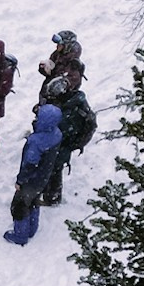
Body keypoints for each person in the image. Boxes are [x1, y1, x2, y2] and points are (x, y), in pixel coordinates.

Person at [4, 101, 62, 245]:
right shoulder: (56, 133)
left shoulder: (36, 142)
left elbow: (30, 164)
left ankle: (20, 235)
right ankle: (32, 228)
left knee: (19, 205)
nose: (36, 118)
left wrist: (20, 181)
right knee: (34, 200)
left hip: (31, 180)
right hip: (43, 177)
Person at [39, 74, 98, 206]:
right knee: (50, 166)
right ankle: (47, 192)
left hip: (65, 143)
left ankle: (52, 198)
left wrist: (74, 143)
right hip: (60, 141)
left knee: (55, 168)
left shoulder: (73, 107)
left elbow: (83, 126)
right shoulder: (69, 102)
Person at [37, 29, 84, 95]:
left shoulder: (74, 63)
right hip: (49, 95)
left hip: (64, 97)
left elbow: (75, 79)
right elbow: (53, 71)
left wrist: (63, 84)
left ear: (67, 46)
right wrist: (45, 69)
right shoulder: (56, 55)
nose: (57, 46)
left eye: (60, 44)